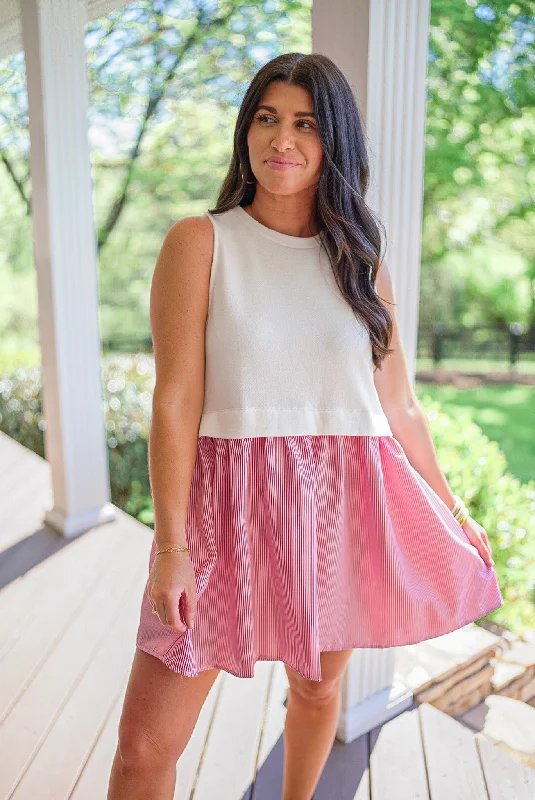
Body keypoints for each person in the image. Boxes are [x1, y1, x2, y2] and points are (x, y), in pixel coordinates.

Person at [107, 52, 503, 800]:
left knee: (319, 693)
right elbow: (174, 402)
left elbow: (398, 406)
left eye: (304, 124)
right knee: (141, 748)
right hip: (220, 514)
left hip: (340, 511)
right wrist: (170, 547)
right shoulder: (201, 242)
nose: (280, 140)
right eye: (266, 118)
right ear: (244, 131)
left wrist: (451, 507)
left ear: (334, 144)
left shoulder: (360, 261)